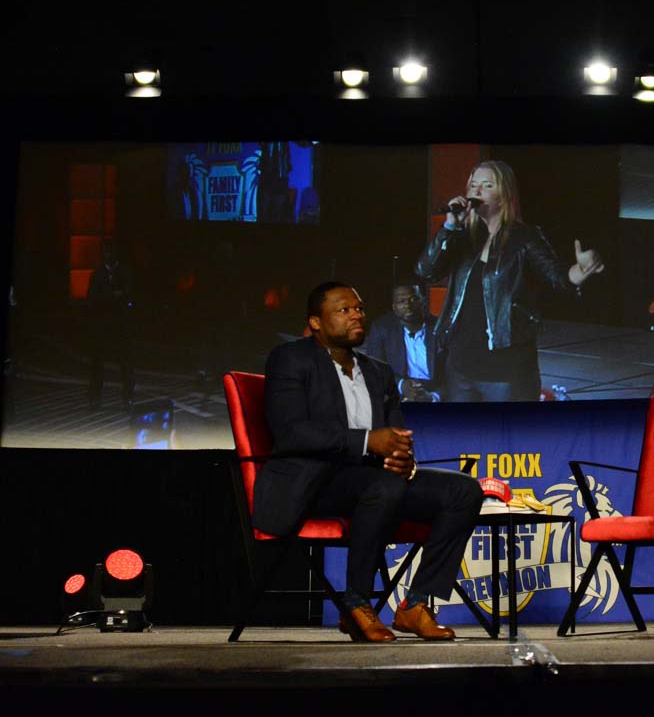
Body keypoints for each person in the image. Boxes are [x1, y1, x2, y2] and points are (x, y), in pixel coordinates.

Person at [255, 281, 485, 642]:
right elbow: (292, 433)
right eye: (343, 310)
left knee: (463, 490)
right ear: (316, 322)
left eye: (359, 309)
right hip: (312, 482)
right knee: (383, 487)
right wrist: (367, 441)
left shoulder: (378, 371)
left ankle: (416, 603)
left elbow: (395, 434)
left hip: (374, 482)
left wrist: (402, 459)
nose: (356, 316)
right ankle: (356, 603)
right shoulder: (291, 358)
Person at [415, 160, 604, 402]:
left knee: (508, 427)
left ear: (504, 195)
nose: (476, 191)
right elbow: (426, 272)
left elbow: (557, 278)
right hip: (461, 367)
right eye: (473, 185)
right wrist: (450, 227)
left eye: (487, 185)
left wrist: (581, 270)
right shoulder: (461, 238)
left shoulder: (524, 237)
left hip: (506, 370)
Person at [361, 283, 441, 402]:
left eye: (413, 299)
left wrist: (433, 397)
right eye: (401, 301)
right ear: (394, 307)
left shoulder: (441, 327)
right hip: (399, 392)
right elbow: (374, 369)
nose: (408, 305)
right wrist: (401, 385)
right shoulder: (382, 328)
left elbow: (455, 375)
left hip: (436, 393)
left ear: (424, 301)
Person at [86, 239, 134, 409]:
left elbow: (128, 294)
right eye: (106, 251)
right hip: (102, 325)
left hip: (121, 324)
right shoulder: (98, 274)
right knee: (97, 362)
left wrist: (107, 297)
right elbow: (92, 298)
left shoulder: (125, 273)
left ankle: (128, 398)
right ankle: (95, 398)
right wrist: (113, 295)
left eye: (111, 250)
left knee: (125, 363)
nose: (108, 254)